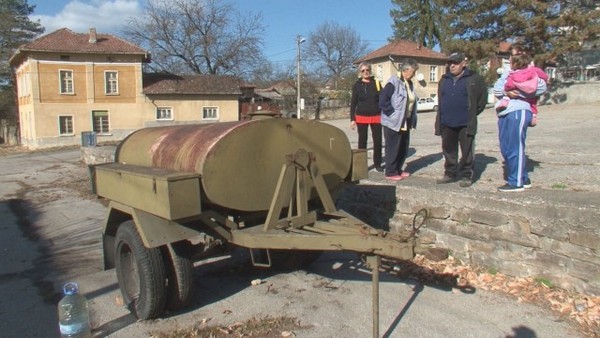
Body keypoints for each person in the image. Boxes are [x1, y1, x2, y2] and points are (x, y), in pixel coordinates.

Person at [493, 43, 547, 192]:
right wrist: (507, 91)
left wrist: (517, 90)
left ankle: (516, 183)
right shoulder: (507, 72)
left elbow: (541, 88)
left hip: (519, 110)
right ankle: (523, 177)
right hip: (505, 111)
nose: (512, 58)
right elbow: (497, 89)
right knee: (506, 148)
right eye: (511, 55)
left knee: (515, 146)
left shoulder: (532, 71)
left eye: (516, 55)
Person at [435, 52, 488, 187]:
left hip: (465, 122)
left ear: (464, 63)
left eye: (456, 63)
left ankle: (466, 175)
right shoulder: (444, 79)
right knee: (448, 150)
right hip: (447, 122)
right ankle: (450, 173)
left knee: (467, 151)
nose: (452, 65)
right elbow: (441, 100)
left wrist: (472, 114)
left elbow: (481, 101)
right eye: (450, 63)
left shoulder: (474, 79)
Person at [379, 58, 419, 180]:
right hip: (393, 121)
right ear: (406, 70)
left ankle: (398, 169)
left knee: (403, 146)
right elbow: (383, 101)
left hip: (405, 120)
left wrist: (412, 119)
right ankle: (390, 172)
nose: (414, 74)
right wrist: (392, 114)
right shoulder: (393, 82)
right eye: (413, 72)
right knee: (393, 147)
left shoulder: (410, 83)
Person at [350, 62, 383, 172]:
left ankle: (378, 163)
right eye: (363, 70)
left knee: (377, 141)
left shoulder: (377, 83)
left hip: (376, 116)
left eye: (367, 70)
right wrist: (352, 119)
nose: (366, 72)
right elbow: (353, 103)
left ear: (370, 70)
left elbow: (382, 99)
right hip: (361, 117)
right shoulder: (357, 85)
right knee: (362, 142)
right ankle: (362, 165)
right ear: (360, 72)